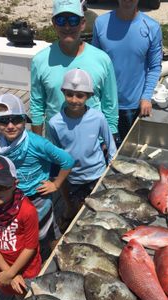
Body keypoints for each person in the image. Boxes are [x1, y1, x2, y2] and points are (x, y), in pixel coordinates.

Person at [0, 93, 74, 261]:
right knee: (21, 232)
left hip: (37, 196)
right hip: (11, 197)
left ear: (24, 120)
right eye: (3, 121)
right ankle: (28, 258)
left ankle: (60, 258)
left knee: (47, 231)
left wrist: (56, 184)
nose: (10, 125)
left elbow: (67, 161)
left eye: (16, 119)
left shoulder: (37, 143)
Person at [30, 0, 119, 143]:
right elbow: (37, 105)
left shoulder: (102, 59)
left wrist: (110, 137)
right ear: (54, 23)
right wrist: (37, 143)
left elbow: (110, 104)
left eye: (73, 20)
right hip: (55, 145)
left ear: (83, 23)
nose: (67, 26)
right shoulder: (39, 60)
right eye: (61, 20)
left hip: (94, 143)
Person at [49, 68, 117, 219]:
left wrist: (110, 170)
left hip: (97, 173)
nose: (74, 100)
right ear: (63, 93)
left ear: (89, 96)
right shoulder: (54, 123)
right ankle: (69, 206)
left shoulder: (98, 117)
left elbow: (111, 146)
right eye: (69, 94)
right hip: (73, 177)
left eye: (80, 95)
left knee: (99, 212)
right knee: (79, 213)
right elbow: (56, 153)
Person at [92, 0, 163, 141]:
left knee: (126, 155)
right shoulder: (100, 23)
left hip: (133, 106)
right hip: (104, 104)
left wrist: (146, 97)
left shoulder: (152, 27)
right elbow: (94, 62)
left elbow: (155, 67)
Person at [0, 155, 41, 296]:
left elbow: (31, 247)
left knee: (31, 295)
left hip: (27, 268)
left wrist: (12, 272)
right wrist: (9, 273)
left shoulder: (27, 210)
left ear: (15, 183)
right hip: (2, 265)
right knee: (17, 295)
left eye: (1, 186)